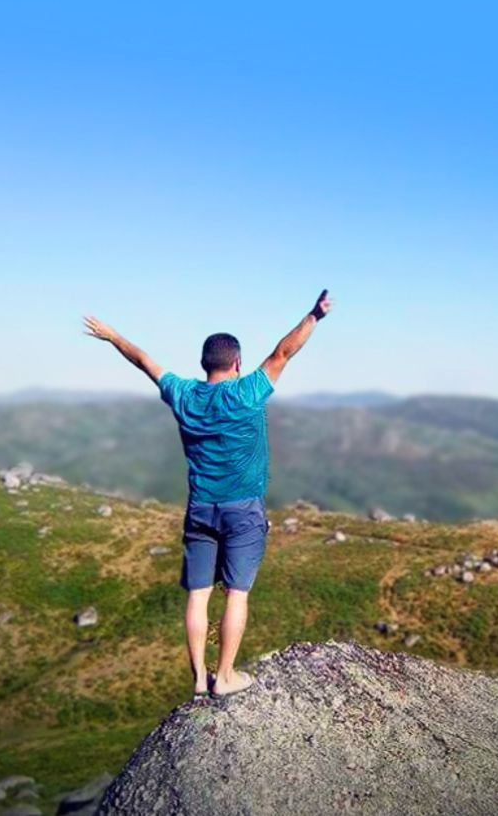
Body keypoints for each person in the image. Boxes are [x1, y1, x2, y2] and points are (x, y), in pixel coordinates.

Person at [82, 289, 332, 699]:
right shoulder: (247, 391)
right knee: (237, 593)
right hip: (243, 510)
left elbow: (144, 360)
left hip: (200, 509)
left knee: (198, 596)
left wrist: (112, 337)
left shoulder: (183, 394)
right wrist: (314, 315)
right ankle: (226, 676)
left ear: (204, 365)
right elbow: (284, 352)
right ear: (236, 363)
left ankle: (199, 679)